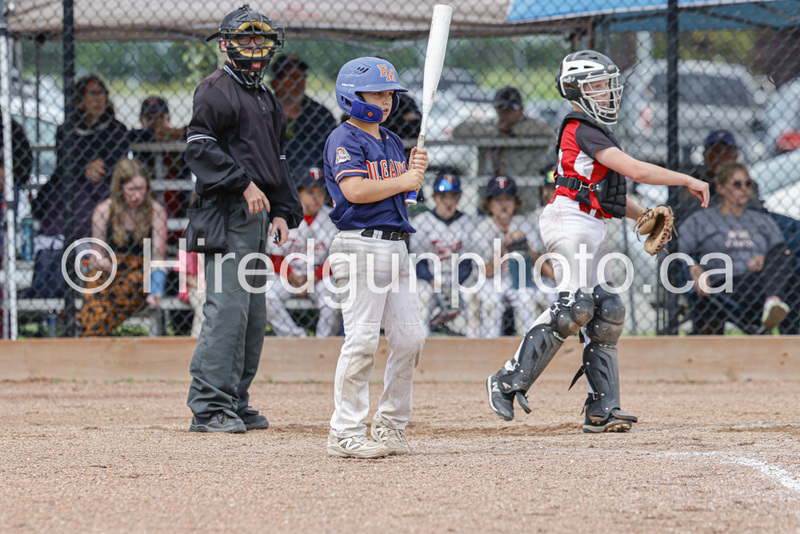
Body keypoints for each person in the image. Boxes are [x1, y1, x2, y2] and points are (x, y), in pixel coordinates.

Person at [485, 50, 710, 433]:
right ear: (576, 90)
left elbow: (608, 196)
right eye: (598, 86)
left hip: (591, 224)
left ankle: (601, 409)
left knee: (608, 310)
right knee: (575, 307)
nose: (608, 93)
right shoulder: (581, 126)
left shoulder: (596, 130)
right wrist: (685, 179)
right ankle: (507, 379)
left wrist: (642, 216)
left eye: (608, 86)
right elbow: (635, 169)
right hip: (567, 221)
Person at [185, 5, 303, 434]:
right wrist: (243, 184)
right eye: (245, 40)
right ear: (225, 45)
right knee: (228, 310)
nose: (255, 48)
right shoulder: (216, 89)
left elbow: (277, 160)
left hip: (256, 217)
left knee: (254, 314)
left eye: (260, 40)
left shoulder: (266, 98)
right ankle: (208, 406)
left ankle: (235, 401)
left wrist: (286, 209)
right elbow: (198, 147)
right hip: (227, 213)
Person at [324, 57, 428, 459]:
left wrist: (415, 173)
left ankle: (390, 425)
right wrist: (404, 178)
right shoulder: (343, 138)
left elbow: (404, 195)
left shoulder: (391, 141)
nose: (385, 101)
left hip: (396, 246)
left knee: (410, 338)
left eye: (389, 94)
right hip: (359, 245)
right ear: (353, 95)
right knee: (363, 340)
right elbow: (355, 191)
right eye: (377, 93)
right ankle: (345, 430)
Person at [679, 162, 794, 335]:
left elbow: (781, 253)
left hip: (763, 281)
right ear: (721, 188)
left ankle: (775, 308)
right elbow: (675, 249)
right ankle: (774, 307)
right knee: (790, 287)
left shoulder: (762, 220)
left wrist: (765, 258)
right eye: (737, 184)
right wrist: (694, 267)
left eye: (748, 184)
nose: (744, 189)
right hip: (726, 284)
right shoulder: (701, 220)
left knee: (786, 259)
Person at [33, 74, 130, 241]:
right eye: (92, 94)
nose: (98, 99)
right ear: (80, 101)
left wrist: (100, 166)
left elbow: (118, 160)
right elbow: (65, 161)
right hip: (75, 181)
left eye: (101, 94)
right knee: (70, 195)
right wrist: (85, 168)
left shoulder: (117, 129)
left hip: (105, 182)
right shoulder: (68, 129)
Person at [76, 158, 167, 336]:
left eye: (141, 189)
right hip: (110, 270)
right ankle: (95, 335)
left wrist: (156, 290)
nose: (137, 196)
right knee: (93, 281)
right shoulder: (104, 211)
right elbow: (97, 255)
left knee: (127, 284)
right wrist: (105, 265)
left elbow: (158, 259)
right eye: (131, 189)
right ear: (119, 188)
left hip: (139, 273)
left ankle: (91, 336)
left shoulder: (156, 212)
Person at [473, 174, 555, 338]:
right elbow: (486, 273)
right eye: (497, 200)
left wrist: (524, 244)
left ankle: (532, 348)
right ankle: (489, 347)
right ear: (489, 204)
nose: (503, 205)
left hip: (522, 279)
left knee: (528, 300)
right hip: (494, 280)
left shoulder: (524, 223)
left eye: (508, 199)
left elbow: (539, 264)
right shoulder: (482, 229)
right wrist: (504, 247)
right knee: (491, 303)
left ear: (515, 203)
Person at [265, 166, 340, 337]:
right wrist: (291, 276)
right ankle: (295, 338)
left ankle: (322, 342)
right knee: (266, 296)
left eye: (320, 191)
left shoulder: (332, 219)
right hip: (288, 275)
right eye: (310, 192)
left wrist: (313, 278)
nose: (316, 198)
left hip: (320, 277)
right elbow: (274, 256)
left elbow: (335, 258)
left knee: (334, 298)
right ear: (297, 193)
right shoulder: (282, 216)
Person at [452, 85, 551, 204]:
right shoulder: (490, 127)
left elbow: (549, 131)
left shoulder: (532, 128)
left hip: (524, 200)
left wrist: (512, 131)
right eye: (501, 109)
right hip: (490, 200)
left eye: (510, 109)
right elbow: (458, 130)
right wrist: (496, 132)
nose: (505, 113)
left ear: (521, 110)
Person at [410, 169, 480, 337]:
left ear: (459, 198)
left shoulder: (468, 222)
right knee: (423, 297)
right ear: (434, 198)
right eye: (443, 197)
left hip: (461, 278)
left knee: (472, 298)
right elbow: (419, 262)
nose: (448, 202)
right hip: (430, 278)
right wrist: (433, 281)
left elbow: (468, 262)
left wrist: (455, 284)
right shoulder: (422, 222)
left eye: (453, 197)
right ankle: (422, 347)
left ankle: (476, 347)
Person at [269, 53, 337, 183]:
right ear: (275, 82)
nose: (297, 82)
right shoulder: (264, 113)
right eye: (290, 76)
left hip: (314, 187)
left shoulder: (321, 115)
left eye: (301, 76)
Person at [129, 96, 188, 221]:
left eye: (161, 117)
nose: (155, 122)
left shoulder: (182, 140)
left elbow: (192, 132)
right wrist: (162, 134)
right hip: (147, 206)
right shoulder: (138, 138)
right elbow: (133, 134)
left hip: (179, 204)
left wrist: (174, 133)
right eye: (150, 118)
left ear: (169, 118)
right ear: (141, 120)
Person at [174, 248, 205, 337]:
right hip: (195, 288)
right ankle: (197, 339)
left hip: (214, 287)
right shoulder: (187, 243)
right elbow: (187, 278)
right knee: (204, 302)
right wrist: (205, 286)